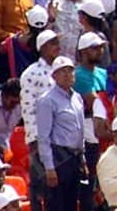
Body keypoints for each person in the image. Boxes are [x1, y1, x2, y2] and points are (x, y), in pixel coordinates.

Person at [37, 56, 88, 211]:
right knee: (57, 203)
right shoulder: (47, 100)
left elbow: (80, 130)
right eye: (62, 72)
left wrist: (83, 158)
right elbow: (43, 137)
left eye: (70, 70)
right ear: (54, 76)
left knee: (72, 203)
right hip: (59, 158)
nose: (67, 74)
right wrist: (49, 168)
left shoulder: (77, 98)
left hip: (75, 157)